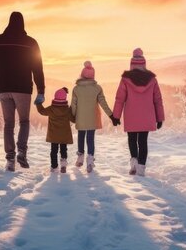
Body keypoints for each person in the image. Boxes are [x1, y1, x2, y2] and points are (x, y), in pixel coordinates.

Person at [0, 11, 45, 172]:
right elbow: (37, 68)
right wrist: (41, 90)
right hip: (23, 89)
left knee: (8, 124)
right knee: (24, 121)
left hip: (4, 89)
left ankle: (10, 159)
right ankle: (21, 152)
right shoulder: (31, 43)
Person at [111, 48, 164, 177]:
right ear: (144, 64)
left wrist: (116, 116)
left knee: (132, 139)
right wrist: (159, 117)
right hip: (147, 116)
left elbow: (120, 99)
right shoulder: (152, 80)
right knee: (143, 141)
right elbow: (157, 99)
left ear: (132, 64)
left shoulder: (125, 79)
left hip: (131, 116)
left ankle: (134, 164)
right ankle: (141, 169)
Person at [70, 61, 114, 173]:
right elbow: (103, 103)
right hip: (92, 118)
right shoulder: (97, 88)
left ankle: (80, 157)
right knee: (90, 139)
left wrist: (72, 117)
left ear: (82, 75)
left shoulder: (76, 89)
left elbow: (73, 105)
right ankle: (90, 161)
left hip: (80, 117)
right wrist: (111, 115)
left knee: (81, 136)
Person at [35, 88, 74, 173]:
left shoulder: (51, 109)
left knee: (53, 150)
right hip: (64, 134)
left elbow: (42, 111)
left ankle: (54, 166)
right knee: (64, 149)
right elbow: (73, 119)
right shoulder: (67, 110)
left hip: (53, 135)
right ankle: (63, 164)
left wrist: (38, 103)